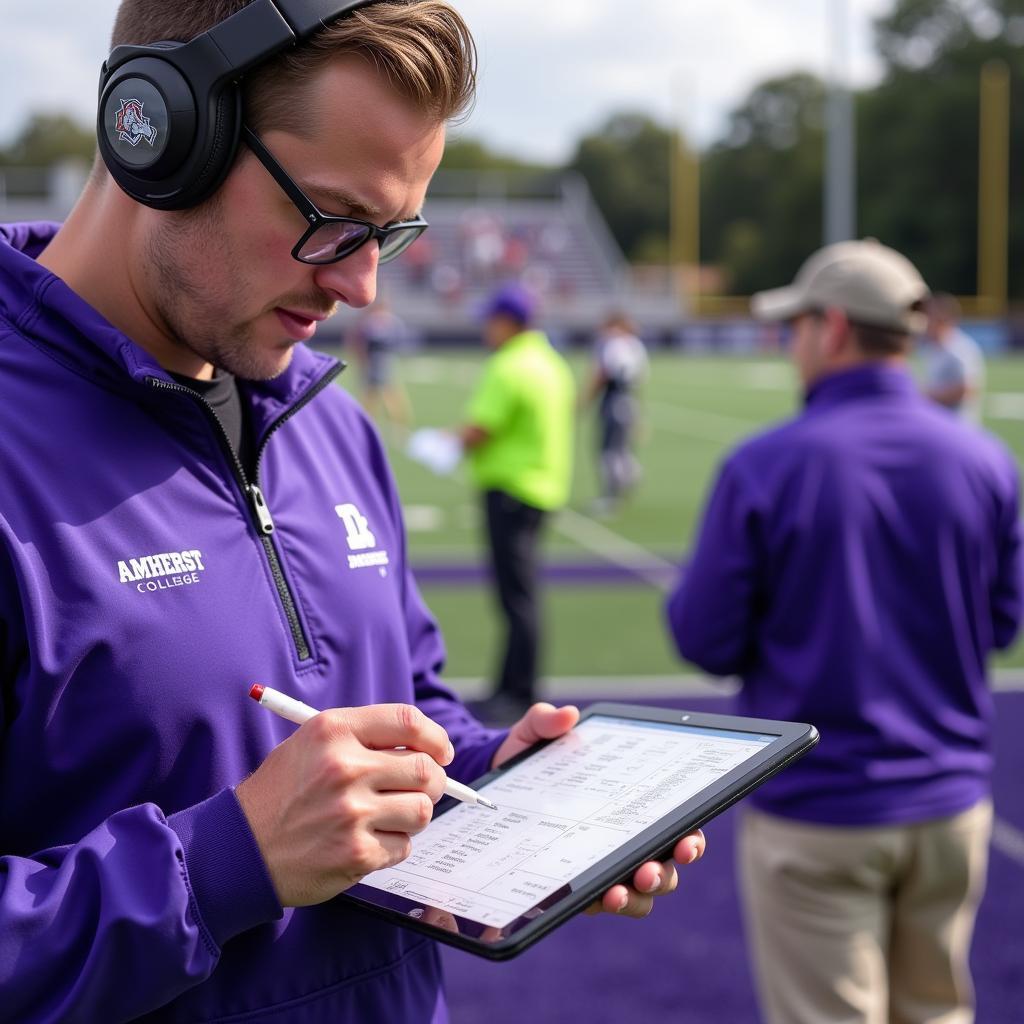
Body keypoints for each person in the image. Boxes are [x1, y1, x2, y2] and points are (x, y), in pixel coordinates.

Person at [0, 3, 706, 1022]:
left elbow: (402, 697)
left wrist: (487, 779)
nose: (364, 285)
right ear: (154, 132)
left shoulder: (323, 421)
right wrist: (217, 865)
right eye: (332, 217)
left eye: (393, 231)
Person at [665, 239, 1023, 1024]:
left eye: (795, 327)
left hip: (820, 807)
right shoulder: (988, 461)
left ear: (829, 327)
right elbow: (1003, 622)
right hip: (951, 803)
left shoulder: (768, 463)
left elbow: (706, 639)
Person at [457, 282, 575, 727]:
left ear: (508, 322)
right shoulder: (550, 363)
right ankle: (511, 685)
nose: (487, 329)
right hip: (542, 489)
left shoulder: (508, 366)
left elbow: (481, 428)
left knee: (517, 600)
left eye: (492, 319)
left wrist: (446, 443)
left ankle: (519, 691)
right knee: (520, 598)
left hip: (511, 490)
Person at [580, 311, 648, 516]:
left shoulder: (611, 344)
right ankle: (626, 479)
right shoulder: (635, 345)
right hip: (629, 399)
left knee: (608, 450)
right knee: (621, 447)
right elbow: (640, 379)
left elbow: (601, 374)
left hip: (613, 399)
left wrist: (584, 401)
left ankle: (612, 496)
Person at [345, 298, 413, 442]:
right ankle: (368, 427)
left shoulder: (387, 322)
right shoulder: (370, 323)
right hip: (374, 363)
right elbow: (358, 342)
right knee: (372, 398)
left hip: (382, 363)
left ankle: (397, 427)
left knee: (387, 396)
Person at [920, 291, 986, 421]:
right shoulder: (931, 347)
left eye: (929, 316)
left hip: (957, 424)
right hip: (938, 422)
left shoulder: (960, 348)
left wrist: (925, 396)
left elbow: (966, 389)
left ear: (942, 318)